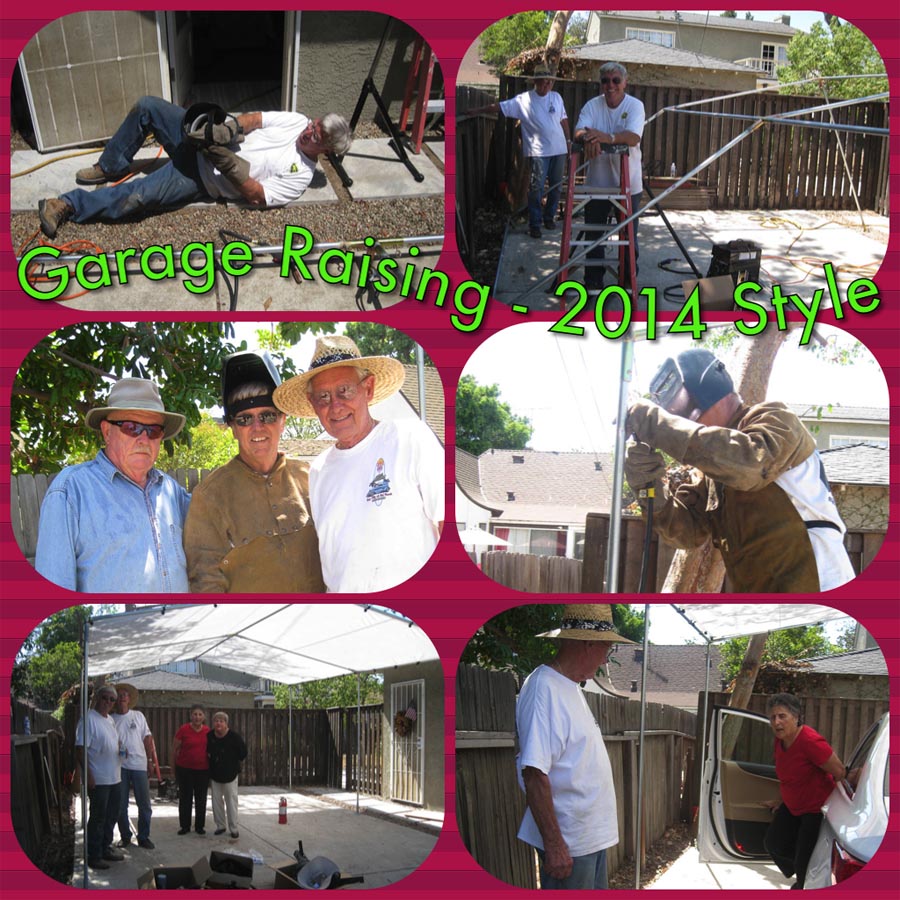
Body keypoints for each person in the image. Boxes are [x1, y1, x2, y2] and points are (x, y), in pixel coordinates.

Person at [624, 348, 856, 593]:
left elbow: (751, 466)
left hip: (821, 585)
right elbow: (686, 534)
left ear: (709, 392)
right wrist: (646, 485)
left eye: (686, 420)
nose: (688, 427)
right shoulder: (711, 471)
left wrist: (655, 424)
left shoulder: (775, 419)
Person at [37, 95, 352, 237]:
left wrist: (222, 158)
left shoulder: (300, 176)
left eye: (317, 135)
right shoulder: (296, 121)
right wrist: (227, 130)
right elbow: (256, 119)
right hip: (200, 142)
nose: (308, 131)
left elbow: (256, 195)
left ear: (325, 149)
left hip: (199, 176)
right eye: (314, 124)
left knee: (136, 198)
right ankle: (111, 165)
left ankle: (64, 205)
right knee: (148, 106)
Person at [273, 335, 444, 593]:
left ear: (369, 388)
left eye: (344, 390)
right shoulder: (318, 470)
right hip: (346, 619)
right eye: (323, 397)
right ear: (313, 405)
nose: (336, 406)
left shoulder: (410, 438)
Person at [183, 351, 325, 593]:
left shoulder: (312, 478)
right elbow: (206, 582)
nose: (257, 427)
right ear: (232, 428)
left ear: (282, 421)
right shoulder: (209, 497)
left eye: (267, 416)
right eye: (244, 419)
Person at [515, 604, 633, 889]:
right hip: (570, 844)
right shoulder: (544, 687)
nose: (607, 658)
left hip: (587, 840)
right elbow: (533, 773)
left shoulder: (570, 687)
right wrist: (555, 846)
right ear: (588, 644)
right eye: (607, 648)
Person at [34, 377, 191, 593]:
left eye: (153, 430)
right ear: (107, 432)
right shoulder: (71, 491)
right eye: (131, 427)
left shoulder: (171, 491)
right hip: (116, 625)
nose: (143, 439)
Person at [466, 66, 571, 238]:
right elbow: (499, 107)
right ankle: (535, 223)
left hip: (559, 149)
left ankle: (549, 218)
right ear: (535, 82)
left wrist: (568, 140)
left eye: (550, 81)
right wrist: (477, 111)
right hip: (538, 151)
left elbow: (564, 119)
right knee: (536, 187)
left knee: (556, 186)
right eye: (543, 80)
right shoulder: (524, 100)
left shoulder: (556, 97)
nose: (547, 84)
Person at [762, 693, 846, 889]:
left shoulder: (809, 740)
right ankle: (809, 870)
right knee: (773, 844)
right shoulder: (779, 741)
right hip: (792, 806)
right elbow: (789, 777)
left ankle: (804, 879)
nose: (776, 722)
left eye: (782, 716)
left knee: (803, 864)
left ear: (796, 717)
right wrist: (779, 801)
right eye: (772, 717)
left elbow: (839, 771)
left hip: (815, 811)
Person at [573, 62, 645, 290]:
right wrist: (587, 138)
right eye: (605, 81)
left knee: (629, 235)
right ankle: (593, 281)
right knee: (594, 235)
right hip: (598, 184)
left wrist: (607, 138)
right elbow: (578, 131)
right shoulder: (593, 105)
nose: (610, 85)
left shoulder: (635, 106)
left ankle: (627, 279)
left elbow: (633, 137)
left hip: (629, 184)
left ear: (625, 83)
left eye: (615, 80)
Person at [75, 684, 124, 870]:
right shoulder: (88, 719)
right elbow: (80, 751)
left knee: (112, 815)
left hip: (115, 777)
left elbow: (113, 742)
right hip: (99, 779)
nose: (108, 702)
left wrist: (120, 748)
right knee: (98, 817)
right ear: (97, 698)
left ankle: (105, 848)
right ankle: (94, 855)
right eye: (105, 698)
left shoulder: (110, 719)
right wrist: (88, 776)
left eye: (112, 700)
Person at [110, 683, 158, 849]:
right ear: (115, 700)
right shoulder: (110, 719)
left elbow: (148, 738)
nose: (123, 696)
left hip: (139, 765)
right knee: (120, 805)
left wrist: (151, 761)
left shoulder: (138, 716)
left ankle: (144, 837)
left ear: (129, 699)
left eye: (125, 694)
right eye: (119, 694)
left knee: (144, 804)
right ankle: (125, 837)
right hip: (119, 767)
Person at [206, 712, 247, 839]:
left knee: (231, 802)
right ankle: (220, 826)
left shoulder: (234, 737)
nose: (218, 723)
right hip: (215, 775)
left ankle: (233, 828)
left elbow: (243, 753)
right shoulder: (210, 736)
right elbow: (207, 751)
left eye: (221, 721)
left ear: (226, 723)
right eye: (216, 721)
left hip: (230, 775)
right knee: (216, 803)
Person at [173, 705, 210, 835]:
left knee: (201, 799)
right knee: (185, 798)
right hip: (185, 770)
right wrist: (175, 768)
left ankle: (199, 826)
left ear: (203, 717)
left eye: (200, 714)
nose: (197, 717)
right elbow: (175, 749)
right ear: (191, 716)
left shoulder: (207, 731)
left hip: (203, 770)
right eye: (195, 714)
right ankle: (185, 826)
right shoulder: (183, 729)